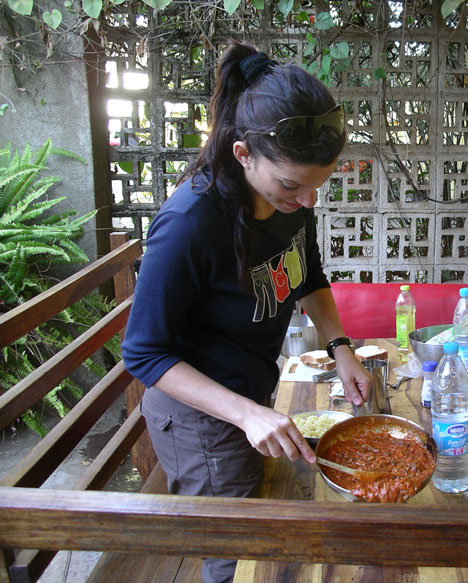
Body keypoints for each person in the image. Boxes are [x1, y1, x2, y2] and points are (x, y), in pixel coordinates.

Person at [121, 40, 371, 583]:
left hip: (250, 394)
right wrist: (246, 413)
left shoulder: (287, 201)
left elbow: (307, 276)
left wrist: (341, 347)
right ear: (243, 154)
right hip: (200, 419)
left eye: (317, 186)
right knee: (234, 556)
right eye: (292, 185)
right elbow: (142, 352)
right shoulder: (190, 222)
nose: (307, 202)